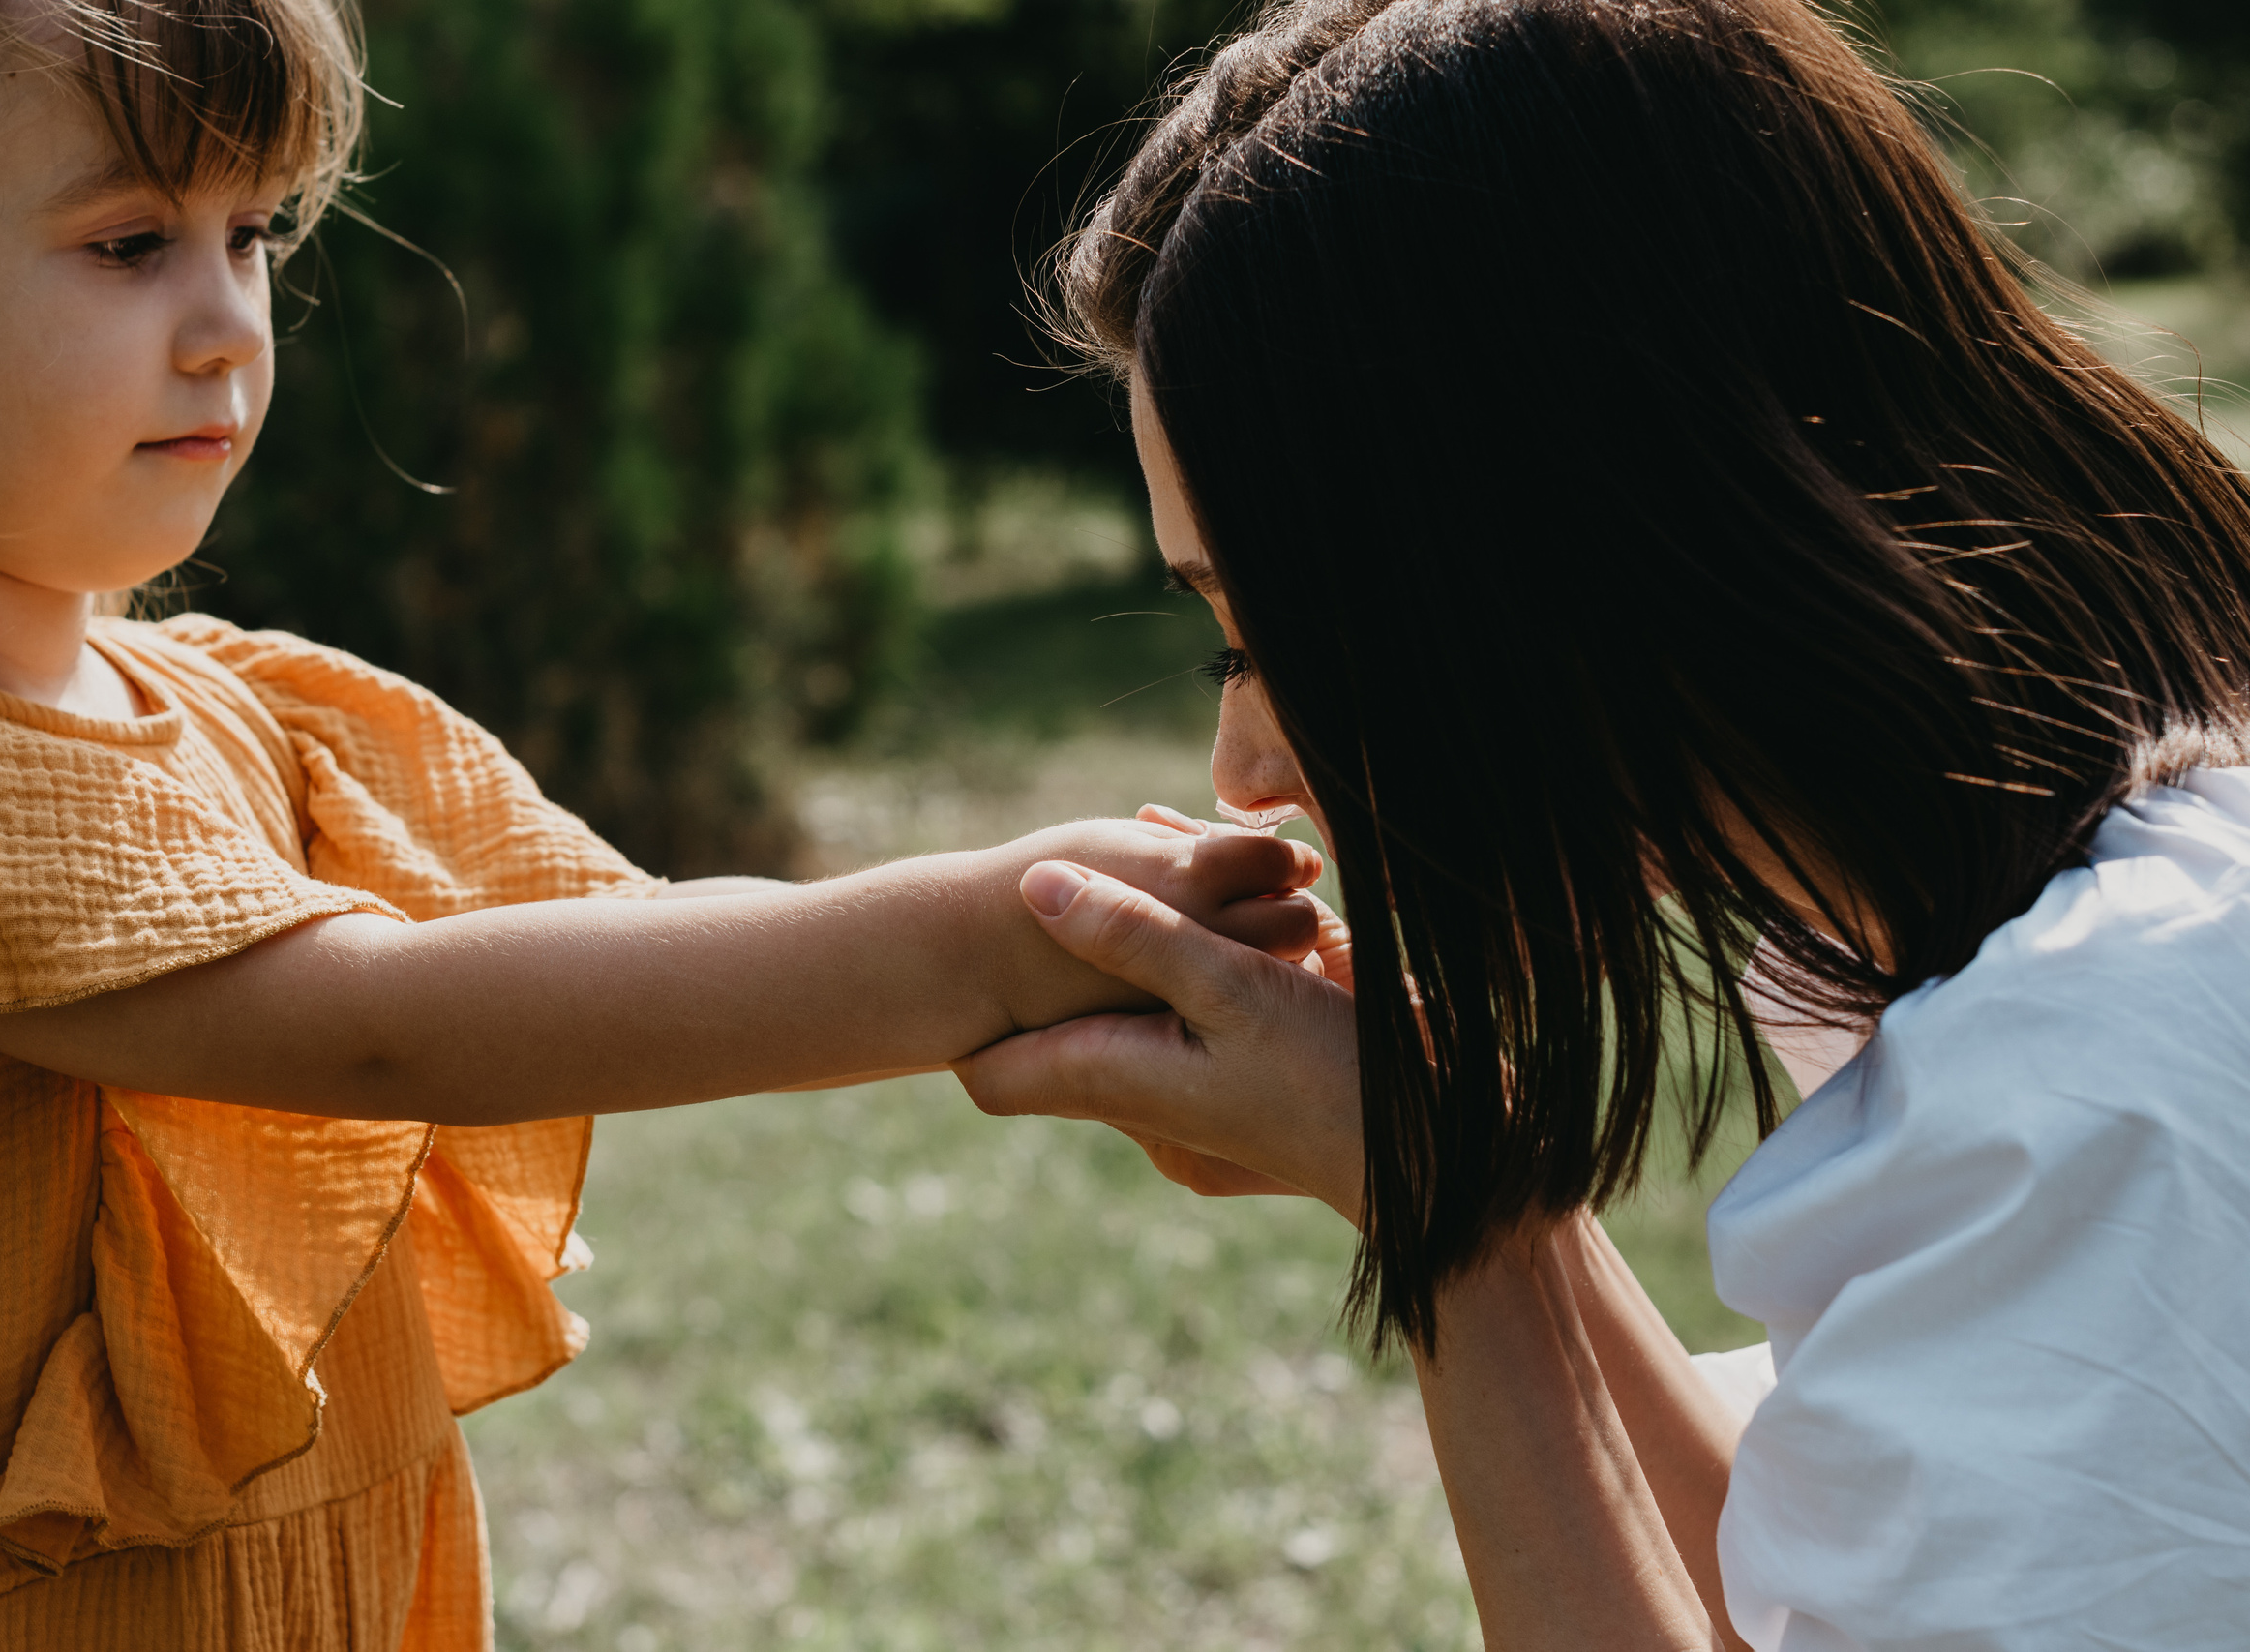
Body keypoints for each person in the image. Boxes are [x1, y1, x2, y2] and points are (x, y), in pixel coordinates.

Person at [0, 3, 1327, 1646]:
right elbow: (390, 1027)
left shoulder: (260, 707)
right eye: (128, 242)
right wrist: (991, 932)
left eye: (251, 233)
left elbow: (621, 937)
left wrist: (1080, 967)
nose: (227, 322)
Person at [954, 0, 2250, 1646]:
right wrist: (1468, 1183)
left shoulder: (2093, 1121)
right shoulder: (2082, 942)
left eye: (1275, 635)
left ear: (1576, 542)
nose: (1245, 768)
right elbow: (1806, 1583)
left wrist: (1447, 1237)